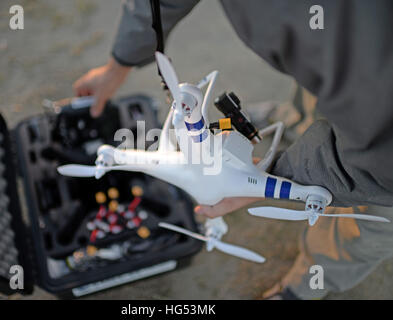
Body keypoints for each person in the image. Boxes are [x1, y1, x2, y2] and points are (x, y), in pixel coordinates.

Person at [73, 0, 393, 299]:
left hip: (383, 154)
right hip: (338, 66)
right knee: (315, 93)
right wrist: (119, 63)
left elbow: (381, 156)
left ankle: (304, 286)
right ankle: (295, 119)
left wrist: (282, 177)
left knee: (365, 221)